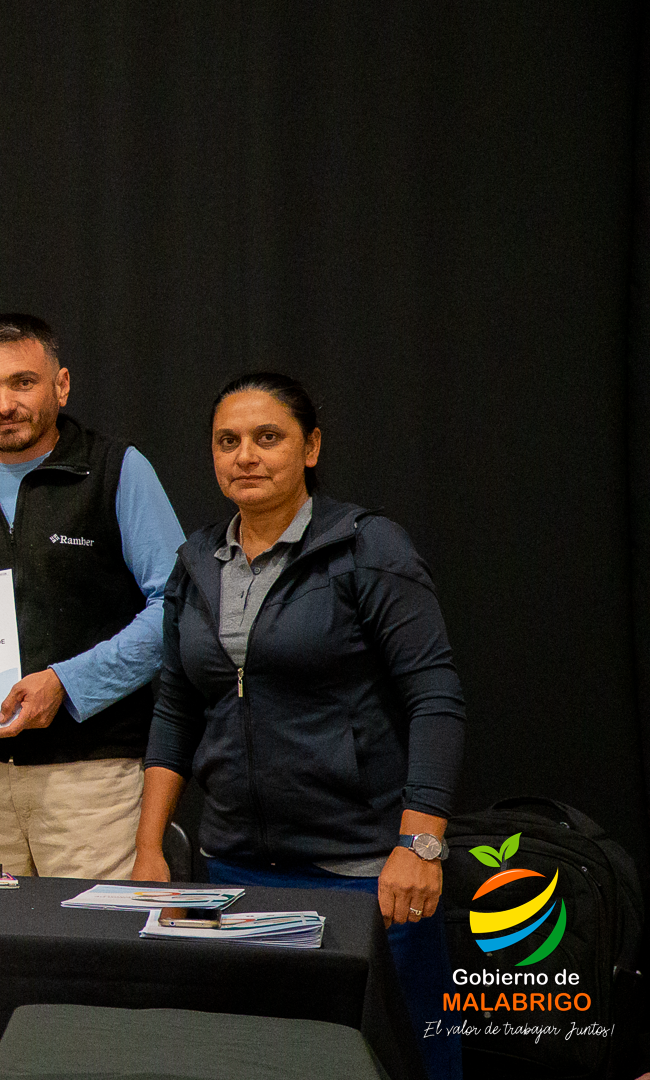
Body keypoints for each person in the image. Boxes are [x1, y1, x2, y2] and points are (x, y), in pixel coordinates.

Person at [130, 371, 464, 1080]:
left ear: (310, 448)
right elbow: (175, 708)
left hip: (363, 870)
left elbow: (434, 695)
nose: (245, 456)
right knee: (262, 1060)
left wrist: (419, 845)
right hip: (234, 871)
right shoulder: (195, 564)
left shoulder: (367, 548)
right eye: (227, 442)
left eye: (267, 437)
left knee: (401, 1059)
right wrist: (149, 847)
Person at [0, 313, 184, 877]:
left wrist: (66, 683)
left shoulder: (115, 470)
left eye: (23, 383)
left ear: (61, 385)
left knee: (91, 931)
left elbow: (175, 607)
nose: (4, 404)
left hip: (89, 777)